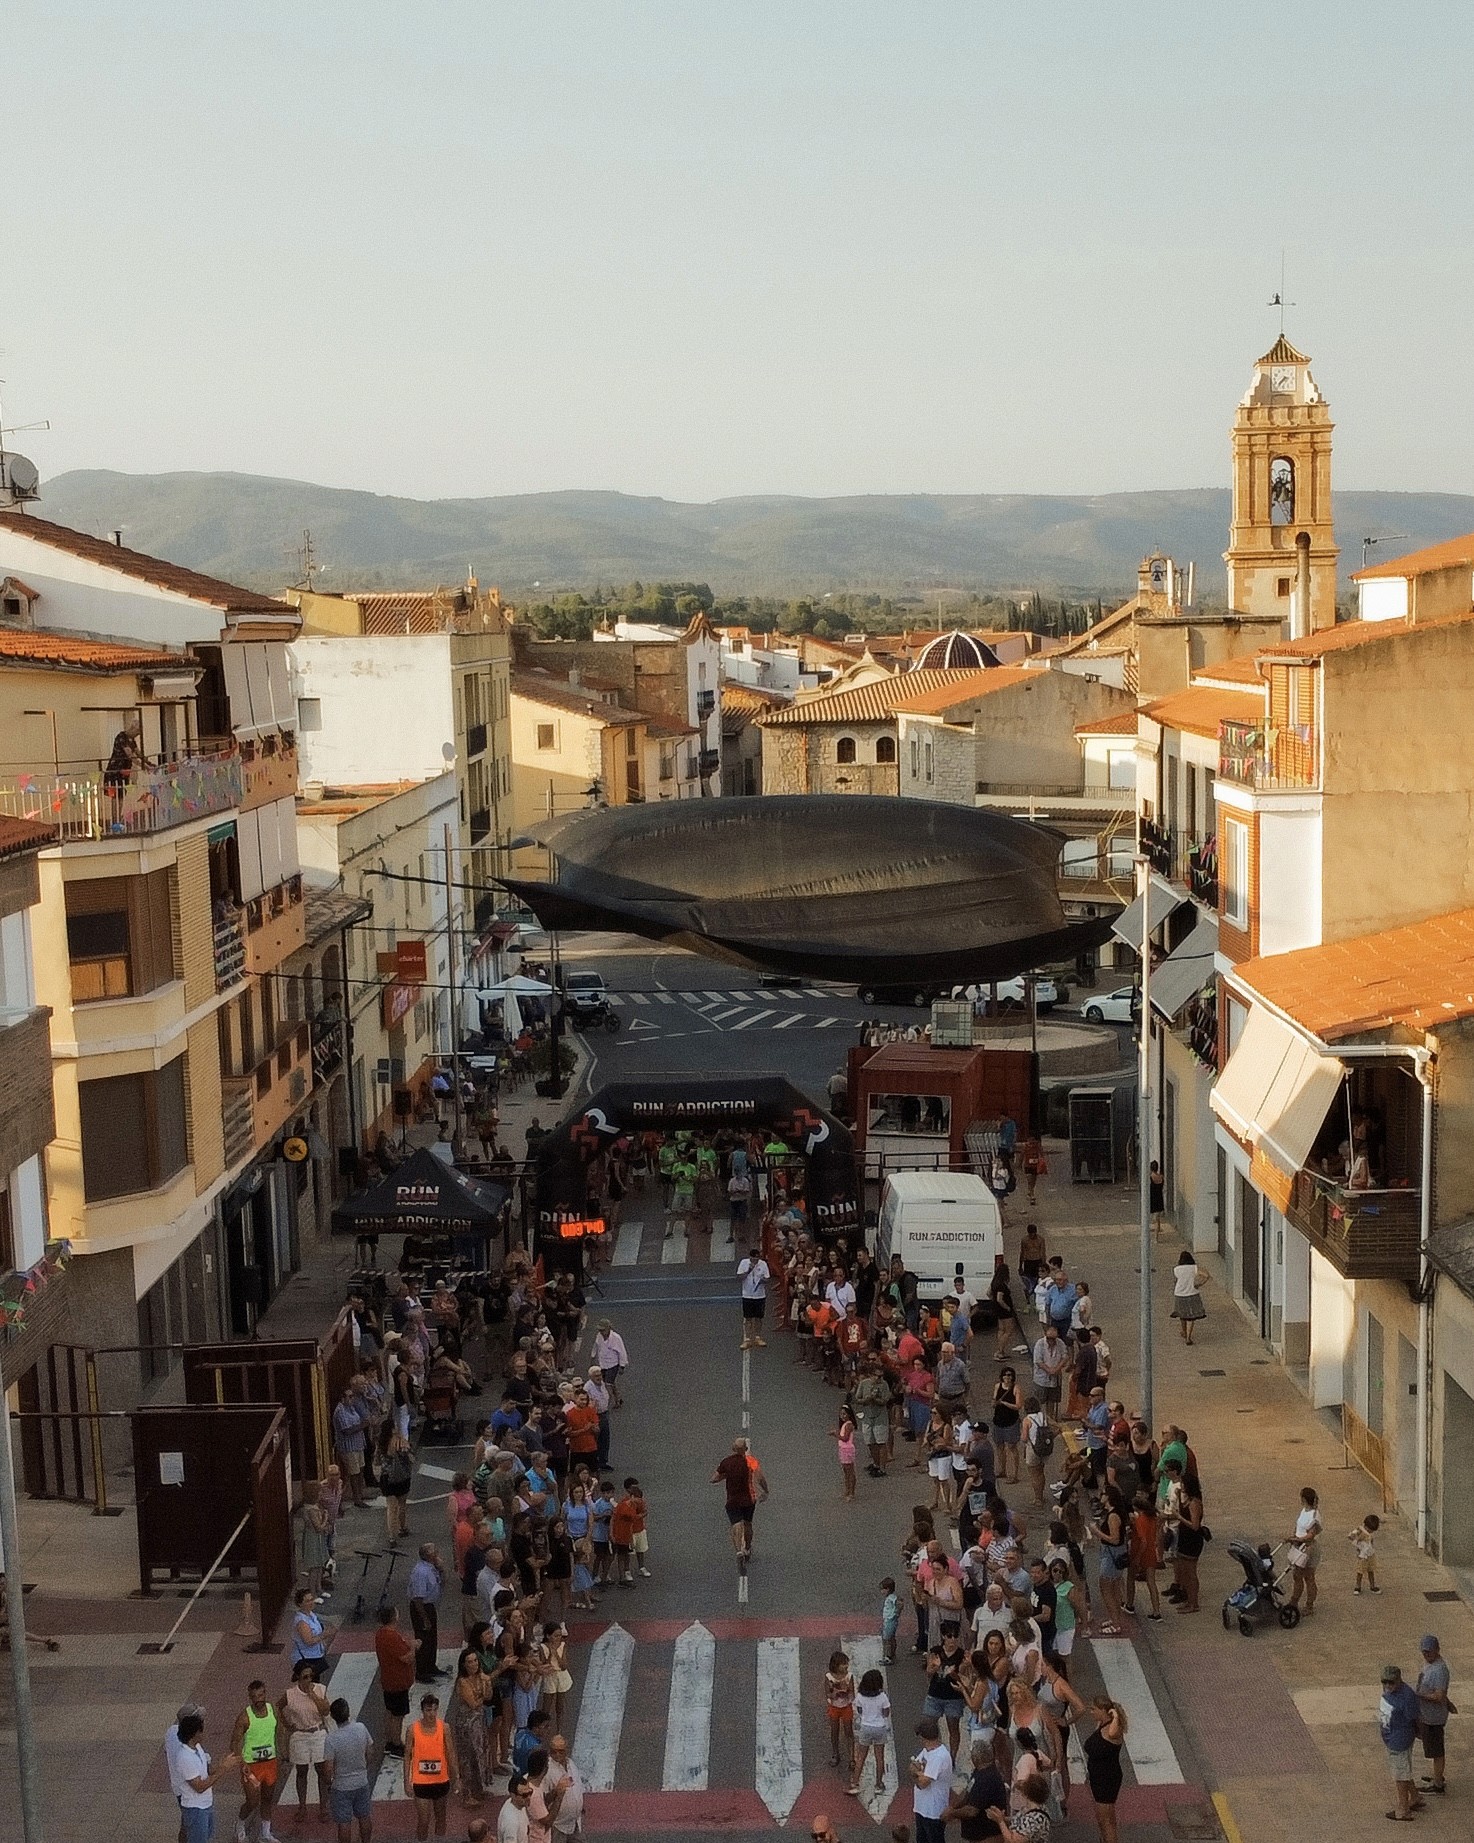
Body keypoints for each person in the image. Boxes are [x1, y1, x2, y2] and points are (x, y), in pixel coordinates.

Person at [229, 1679, 282, 1843]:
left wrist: (281, 1752)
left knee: (268, 1798)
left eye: (261, 1695)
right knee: (252, 1801)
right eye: (254, 1697)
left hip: (270, 1763)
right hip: (251, 1766)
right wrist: (242, 1763)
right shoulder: (245, 1717)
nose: (258, 1699)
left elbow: (280, 1731)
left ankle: (265, 1833)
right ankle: (240, 1824)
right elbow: (234, 1742)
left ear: (265, 1693)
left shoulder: (273, 1710)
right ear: (250, 1698)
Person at [175, 1710, 240, 1843]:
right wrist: (223, 1768)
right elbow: (199, 1786)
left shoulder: (197, 1748)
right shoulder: (184, 1757)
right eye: (201, 1731)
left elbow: (206, 1772)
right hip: (195, 1808)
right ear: (194, 1734)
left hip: (205, 1804)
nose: (203, 1733)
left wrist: (222, 1764)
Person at [279, 1661, 332, 1821]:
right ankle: (302, 1806)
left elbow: (325, 1710)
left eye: (311, 1676)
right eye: (305, 1677)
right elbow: (279, 1707)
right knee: (301, 1772)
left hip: (317, 1733)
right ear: (298, 1678)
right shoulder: (290, 1694)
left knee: (321, 1772)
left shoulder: (320, 1690)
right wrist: (288, 1725)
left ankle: (323, 1807)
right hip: (300, 1735)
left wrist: (313, 1695)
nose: (309, 1680)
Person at [406, 1692, 459, 1839]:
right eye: (429, 1710)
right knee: (424, 1820)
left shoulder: (444, 1728)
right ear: (422, 1711)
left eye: (435, 1710)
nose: (432, 1714)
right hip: (420, 1781)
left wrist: (456, 1778)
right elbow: (407, 1757)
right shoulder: (412, 1729)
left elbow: (451, 1754)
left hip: (441, 1780)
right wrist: (406, 1781)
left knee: (441, 1817)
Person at [324, 1697, 375, 1843]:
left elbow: (328, 1768)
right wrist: (364, 1768)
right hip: (361, 1782)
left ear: (333, 1717)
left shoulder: (331, 1739)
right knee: (364, 1816)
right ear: (348, 1713)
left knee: (344, 1822)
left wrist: (330, 1782)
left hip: (341, 1786)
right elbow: (370, 1752)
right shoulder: (361, 1728)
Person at [712, 1436, 768, 1566]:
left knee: (736, 1524)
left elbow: (714, 1478)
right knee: (748, 1523)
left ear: (733, 1448)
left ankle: (739, 1551)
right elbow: (760, 1477)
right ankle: (747, 1549)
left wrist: (725, 1475)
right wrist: (766, 1491)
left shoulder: (726, 1462)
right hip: (749, 1499)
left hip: (733, 1500)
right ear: (746, 1449)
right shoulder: (750, 1461)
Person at [1379, 1664, 1425, 1821]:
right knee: (1402, 1769)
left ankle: (1403, 1809)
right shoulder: (1390, 1692)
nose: (1387, 1686)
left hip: (1400, 1740)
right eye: (1384, 1682)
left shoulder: (1407, 1697)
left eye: (1391, 1682)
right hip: (1392, 1738)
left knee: (1400, 1776)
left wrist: (1420, 1733)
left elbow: (1416, 1718)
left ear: (1399, 1680)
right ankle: (1415, 1797)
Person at [945, 1734, 1010, 1842]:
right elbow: (967, 1792)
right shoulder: (979, 1772)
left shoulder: (987, 1779)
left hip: (987, 1836)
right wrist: (953, 1807)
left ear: (977, 1757)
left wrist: (952, 1813)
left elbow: (972, 1810)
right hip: (977, 1835)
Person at [1083, 1697, 1126, 1843]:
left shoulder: (1113, 1728)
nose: (1091, 1712)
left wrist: (1114, 1715)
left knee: (1106, 1821)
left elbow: (1113, 1732)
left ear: (1103, 1710)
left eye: (1094, 1709)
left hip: (1107, 1779)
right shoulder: (1102, 1724)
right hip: (1098, 1777)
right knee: (1104, 1819)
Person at [375, 1604, 416, 1755]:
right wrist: (413, 1647)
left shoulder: (380, 1634)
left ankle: (389, 1740)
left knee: (390, 1711)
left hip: (388, 1679)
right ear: (393, 1617)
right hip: (398, 1681)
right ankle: (396, 1744)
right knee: (398, 1715)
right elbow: (406, 1658)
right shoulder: (391, 1637)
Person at [1415, 1634, 1451, 1796]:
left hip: (1433, 1718)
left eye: (1429, 1652)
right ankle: (1437, 1775)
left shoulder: (1439, 1670)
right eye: (1424, 1652)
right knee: (1433, 1748)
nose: (1426, 1655)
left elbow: (1439, 1696)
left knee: (1437, 1750)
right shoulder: (1430, 1665)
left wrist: (1420, 1695)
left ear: (1437, 1650)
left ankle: (1438, 1784)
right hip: (1427, 1715)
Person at [910, 1714, 955, 1843]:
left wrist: (917, 1773)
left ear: (923, 1737)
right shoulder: (926, 1752)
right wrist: (919, 1773)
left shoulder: (939, 1757)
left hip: (934, 1811)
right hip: (922, 1808)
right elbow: (912, 1767)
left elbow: (924, 1782)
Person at [849, 1666, 892, 1799]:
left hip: (866, 1727)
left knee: (861, 1756)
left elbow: (860, 1711)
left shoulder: (861, 1696)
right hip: (879, 1728)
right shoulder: (882, 1697)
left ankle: (855, 1784)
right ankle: (878, 1784)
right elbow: (886, 1713)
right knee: (879, 1757)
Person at [409, 1543, 448, 1682]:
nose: (437, 1552)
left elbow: (442, 1583)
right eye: (434, 1551)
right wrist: (424, 1618)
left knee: (432, 1639)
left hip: (430, 1606)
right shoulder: (421, 1572)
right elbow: (418, 1598)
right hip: (421, 1608)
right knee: (424, 1640)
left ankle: (431, 1666)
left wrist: (442, 1569)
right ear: (427, 1555)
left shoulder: (432, 1568)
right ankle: (422, 1671)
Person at [1285, 1486, 1322, 1617]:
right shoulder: (1304, 1511)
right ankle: (1295, 1602)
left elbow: (1311, 1535)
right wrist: (1294, 1536)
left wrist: (1296, 1538)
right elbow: (1298, 1526)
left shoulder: (1314, 1516)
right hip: (1299, 1545)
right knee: (1299, 1576)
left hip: (1308, 1548)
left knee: (1307, 1577)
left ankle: (1306, 1604)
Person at [544, 1733, 585, 1841]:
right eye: (553, 1751)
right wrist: (556, 1791)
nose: (557, 1754)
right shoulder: (547, 1770)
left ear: (566, 1750)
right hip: (557, 1825)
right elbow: (543, 1800)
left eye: (561, 1751)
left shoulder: (571, 1763)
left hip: (575, 1822)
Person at [825, 1648, 857, 1775]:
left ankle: (851, 1758)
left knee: (849, 1732)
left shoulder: (849, 1676)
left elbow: (852, 1692)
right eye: (843, 1664)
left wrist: (847, 1691)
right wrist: (835, 1693)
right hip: (834, 1707)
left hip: (846, 1707)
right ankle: (835, 1753)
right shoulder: (828, 1677)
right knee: (834, 1731)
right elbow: (827, 1693)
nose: (846, 1666)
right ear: (836, 1665)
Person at [1170, 1251, 1206, 1345]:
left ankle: (1184, 1332)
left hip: (1180, 1294)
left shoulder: (1176, 1269)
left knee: (1182, 1315)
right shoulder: (1194, 1268)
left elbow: (1176, 1281)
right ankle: (1188, 1338)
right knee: (1191, 1317)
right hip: (1192, 1293)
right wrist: (1199, 1284)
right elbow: (1206, 1275)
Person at [738, 1249, 771, 1350]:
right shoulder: (744, 1263)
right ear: (750, 1257)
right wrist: (748, 1270)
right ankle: (747, 1338)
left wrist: (763, 1280)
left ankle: (757, 1337)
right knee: (748, 1318)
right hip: (747, 1295)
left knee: (758, 1318)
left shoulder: (763, 1264)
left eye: (757, 1258)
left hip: (759, 1295)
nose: (756, 1260)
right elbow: (739, 1277)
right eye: (754, 1258)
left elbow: (767, 1278)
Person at [592, 1321, 629, 1406]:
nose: (601, 1332)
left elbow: (622, 1352)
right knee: (611, 1383)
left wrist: (622, 1366)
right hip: (603, 1364)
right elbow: (596, 1346)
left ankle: (607, 1402)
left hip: (613, 1364)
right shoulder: (599, 1336)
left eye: (603, 1330)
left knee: (607, 1384)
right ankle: (618, 1398)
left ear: (609, 1328)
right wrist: (593, 1357)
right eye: (600, 1330)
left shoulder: (616, 1338)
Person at [1350, 1514, 1382, 1594]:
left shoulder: (1369, 1534)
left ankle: (1372, 1586)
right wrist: (1358, 1540)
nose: (1370, 1532)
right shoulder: (1360, 1530)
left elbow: (1371, 1542)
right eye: (1370, 1529)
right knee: (1360, 1571)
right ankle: (1358, 1586)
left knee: (1371, 1570)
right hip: (1362, 1555)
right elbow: (1351, 1536)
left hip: (1370, 1553)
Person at [497, 1776, 532, 1842]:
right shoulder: (511, 1823)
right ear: (513, 1795)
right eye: (524, 1795)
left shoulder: (517, 1804)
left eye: (530, 1792)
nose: (529, 1797)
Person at [1149, 1161, 1165, 1233]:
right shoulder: (1161, 1177)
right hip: (1160, 1198)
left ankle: (1156, 1237)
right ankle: (1158, 1229)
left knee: (1155, 1218)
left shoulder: (1150, 1177)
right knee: (1157, 1218)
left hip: (1153, 1199)